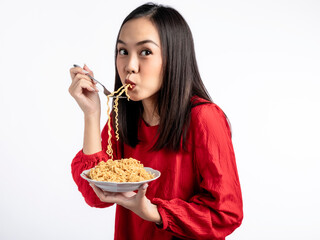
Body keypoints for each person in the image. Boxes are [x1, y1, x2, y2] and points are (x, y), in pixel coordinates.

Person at [69, 3, 243, 240]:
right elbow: (96, 195)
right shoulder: (122, 116)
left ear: (174, 57)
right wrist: (91, 115)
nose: (129, 66)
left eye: (145, 52)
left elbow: (225, 213)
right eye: (123, 51)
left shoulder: (204, 118)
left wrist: (153, 212)